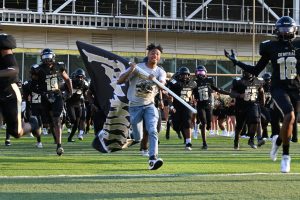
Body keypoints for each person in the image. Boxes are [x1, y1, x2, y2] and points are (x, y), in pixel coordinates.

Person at [225, 16, 300, 173]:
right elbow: (256, 70)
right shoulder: (270, 46)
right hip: (279, 88)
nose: (286, 32)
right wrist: (236, 62)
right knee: (290, 116)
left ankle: (278, 141)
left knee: (290, 123)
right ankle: (286, 156)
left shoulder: (298, 45)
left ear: (295, 30)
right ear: (277, 30)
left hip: (296, 88)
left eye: (288, 29)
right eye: (283, 29)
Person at [117, 43, 166, 170]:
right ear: (148, 55)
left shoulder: (160, 72)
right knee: (138, 137)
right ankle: (133, 138)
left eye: (157, 54)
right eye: (152, 53)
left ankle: (152, 159)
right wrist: (131, 71)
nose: (154, 55)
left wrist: (155, 80)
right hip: (134, 106)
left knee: (153, 130)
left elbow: (162, 86)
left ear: (159, 57)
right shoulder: (138, 67)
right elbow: (120, 80)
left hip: (149, 105)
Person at [0, 33, 41, 142]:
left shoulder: (8, 57)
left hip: (10, 95)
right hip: (2, 94)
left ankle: (33, 124)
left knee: (16, 132)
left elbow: (14, 70)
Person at [33, 48, 73, 156]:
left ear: (53, 57)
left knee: (56, 119)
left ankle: (59, 145)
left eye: (49, 57)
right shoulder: (37, 69)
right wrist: (40, 94)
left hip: (56, 95)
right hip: (44, 96)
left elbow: (67, 79)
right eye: (45, 57)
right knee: (47, 122)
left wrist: (70, 92)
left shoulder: (59, 66)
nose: (47, 60)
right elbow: (33, 85)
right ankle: (56, 138)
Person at [193, 65, 232, 149]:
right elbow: (190, 92)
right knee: (204, 123)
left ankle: (203, 126)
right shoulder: (194, 83)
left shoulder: (209, 81)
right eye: (199, 72)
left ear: (205, 73)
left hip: (209, 105)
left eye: (202, 72)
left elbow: (217, 89)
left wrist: (228, 93)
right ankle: (204, 143)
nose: (200, 74)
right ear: (196, 73)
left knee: (209, 125)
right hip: (200, 105)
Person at [230, 70, 265, 150]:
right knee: (239, 126)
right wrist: (239, 95)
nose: (247, 73)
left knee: (255, 120)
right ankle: (236, 140)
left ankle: (251, 139)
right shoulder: (238, 81)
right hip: (241, 106)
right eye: (246, 71)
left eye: (249, 71)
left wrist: (262, 103)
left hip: (253, 104)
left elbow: (261, 91)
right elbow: (232, 93)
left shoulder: (258, 81)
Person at [167, 67, 197, 150]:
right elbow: (169, 96)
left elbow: (194, 93)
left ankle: (188, 143)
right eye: (182, 74)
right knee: (176, 126)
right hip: (176, 106)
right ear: (179, 75)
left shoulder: (193, 83)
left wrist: (194, 100)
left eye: (186, 74)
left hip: (187, 105)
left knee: (187, 122)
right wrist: (171, 105)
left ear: (188, 75)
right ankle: (171, 122)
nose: (184, 76)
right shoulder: (174, 82)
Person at [65, 68, 89, 142]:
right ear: (75, 77)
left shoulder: (85, 84)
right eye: (78, 77)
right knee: (73, 120)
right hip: (70, 104)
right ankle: (67, 120)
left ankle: (70, 138)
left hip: (78, 104)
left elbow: (85, 93)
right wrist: (66, 94)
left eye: (81, 77)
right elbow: (62, 88)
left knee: (77, 122)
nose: (80, 79)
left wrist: (86, 98)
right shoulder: (70, 82)